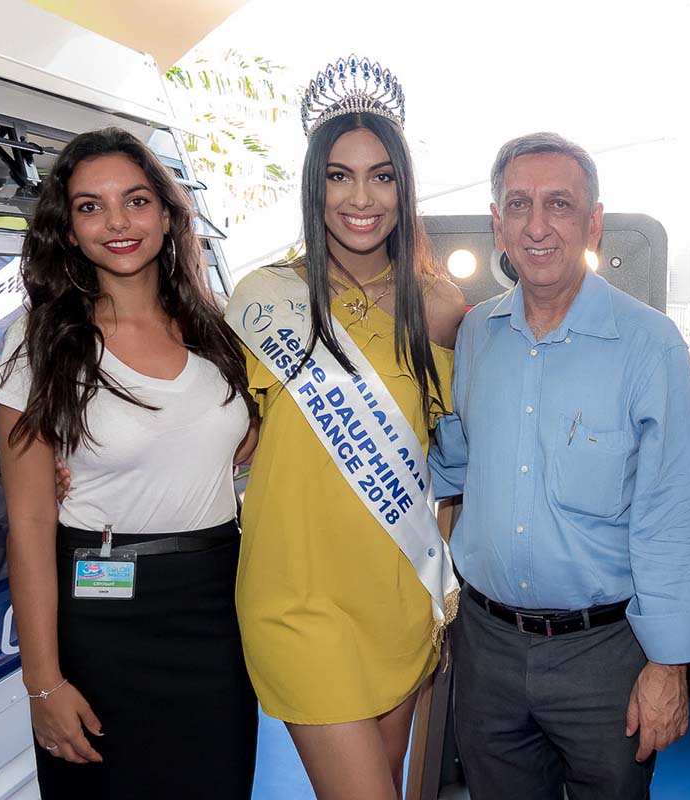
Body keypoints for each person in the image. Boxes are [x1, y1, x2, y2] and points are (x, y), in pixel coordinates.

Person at [430, 132, 690, 800]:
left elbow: (671, 514)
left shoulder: (650, 344)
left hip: (605, 656)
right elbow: (453, 466)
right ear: (497, 223)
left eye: (559, 204)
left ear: (594, 221)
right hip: (487, 649)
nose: (537, 225)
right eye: (518, 205)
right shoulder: (475, 336)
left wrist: (669, 665)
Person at [0, 128, 257, 799]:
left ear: (168, 216)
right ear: (68, 228)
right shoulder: (41, 342)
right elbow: (26, 523)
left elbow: (241, 445)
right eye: (90, 206)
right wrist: (42, 681)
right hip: (102, 611)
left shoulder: (216, 331)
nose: (117, 222)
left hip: (216, 606)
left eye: (136, 200)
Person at [225, 55, 466, 800]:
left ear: (405, 187)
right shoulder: (267, 297)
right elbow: (220, 438)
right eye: (338, 175)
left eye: (382, 175)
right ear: (313, 187)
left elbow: (453, 461)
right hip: (296, 597)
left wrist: (444, 587)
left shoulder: (442, 307)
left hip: (396, 593)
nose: (361, 198)